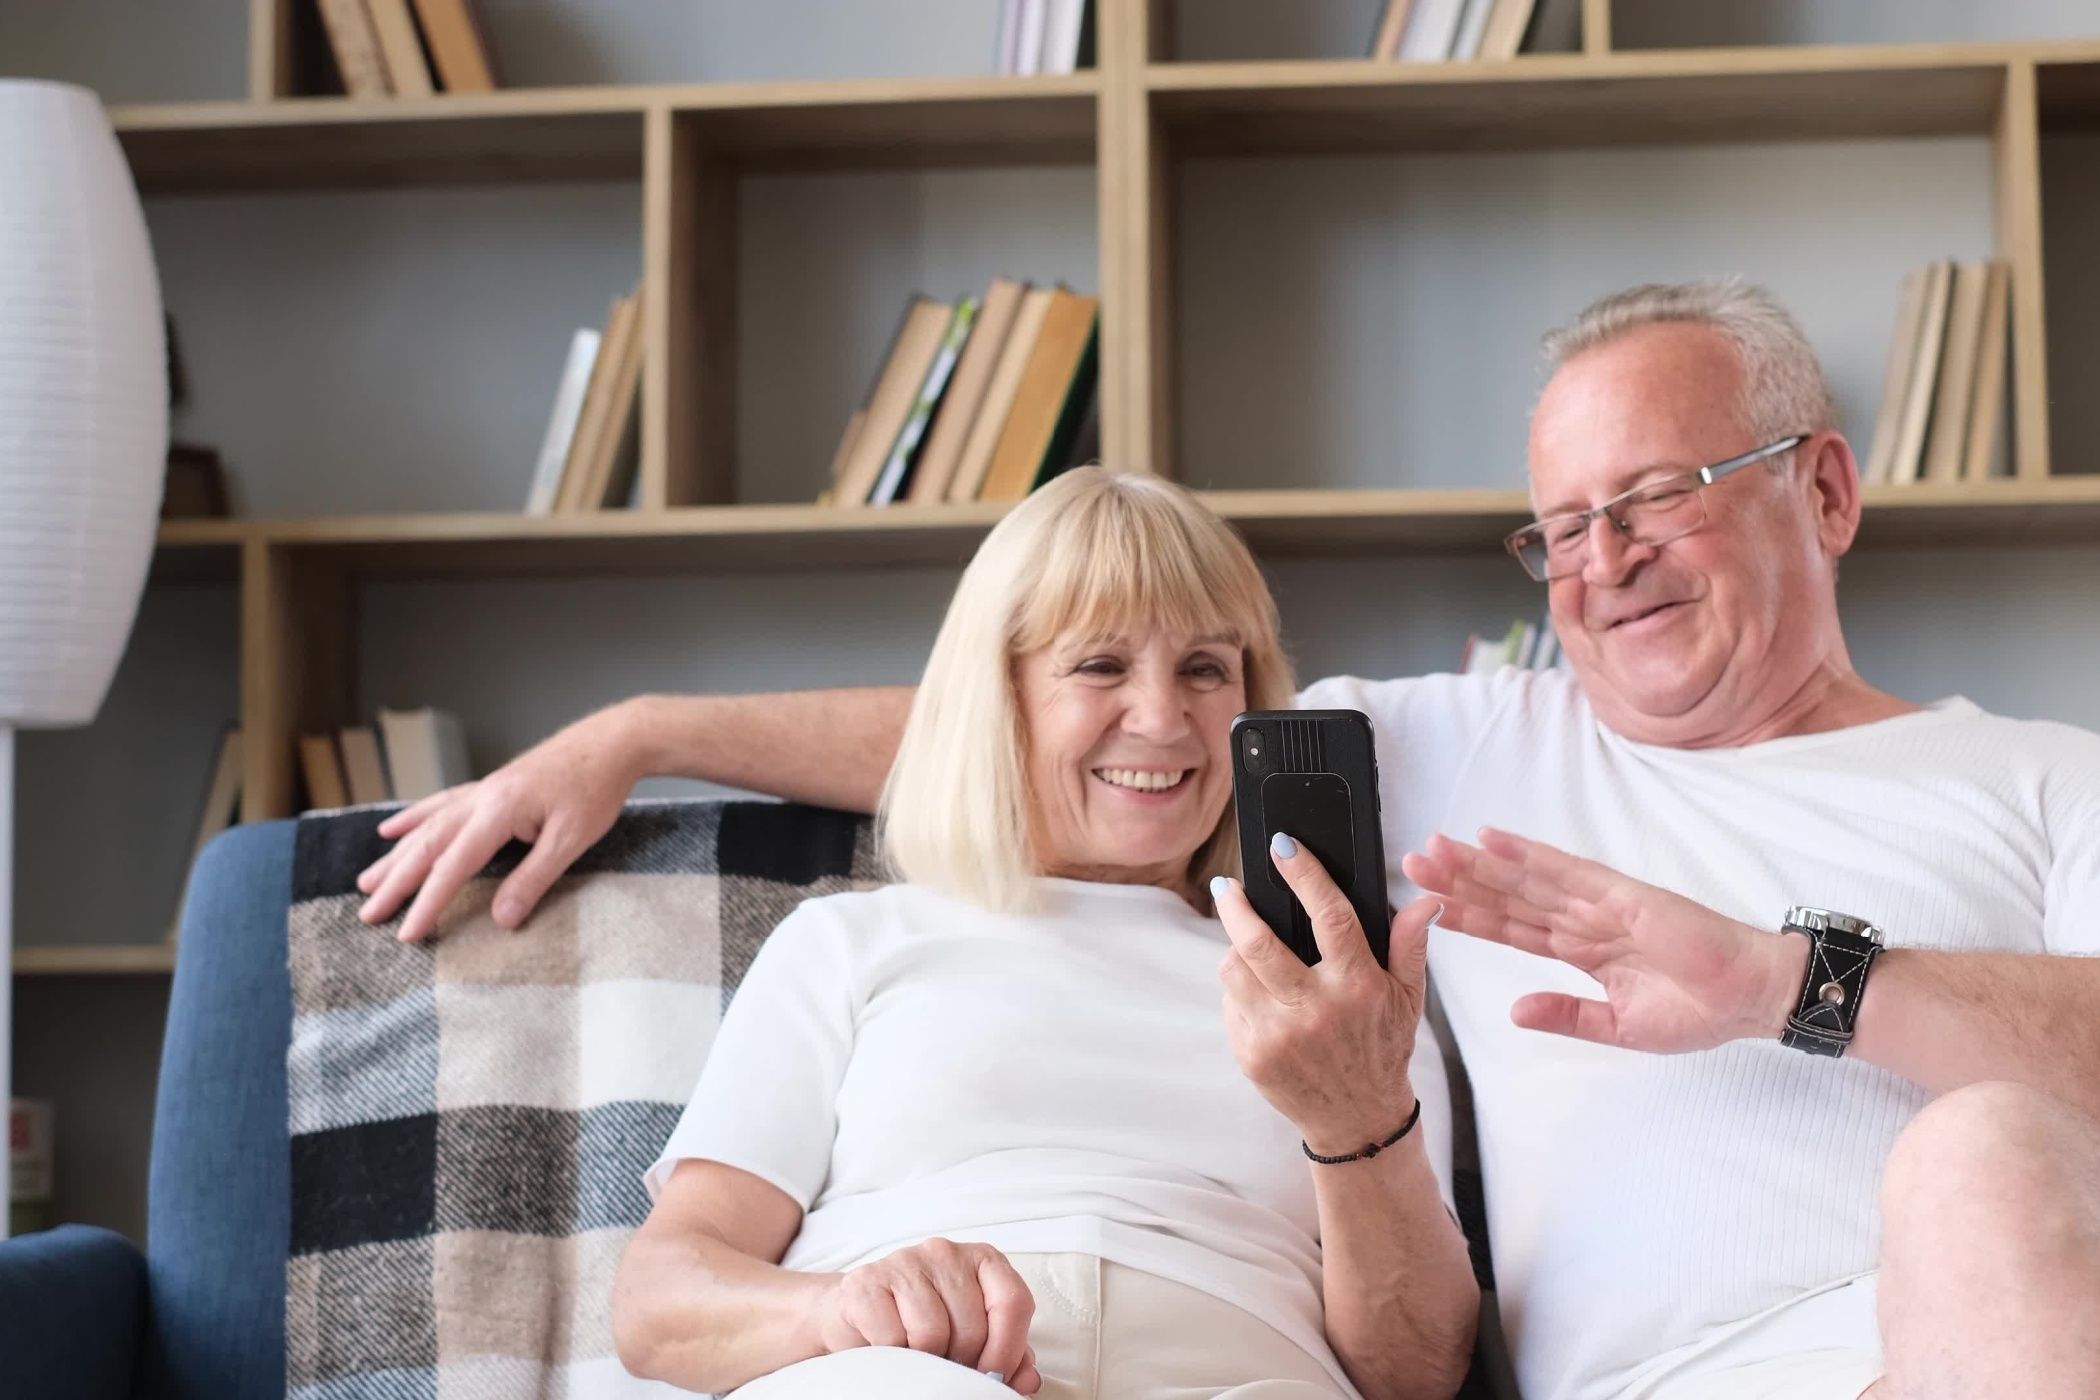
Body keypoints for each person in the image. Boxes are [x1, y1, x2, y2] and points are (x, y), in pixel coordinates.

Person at [357, 279, 2100, 1400]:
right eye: (1560, 527)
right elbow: (1060, 736)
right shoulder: (1449, 748)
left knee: (1988, 1154)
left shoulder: (2040, 777)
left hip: (2003, 1339)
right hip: (1681, 1387)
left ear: (1828, 490)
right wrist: (642, 735)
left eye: (1654, 500)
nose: (1602, 560)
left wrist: (1786, 977)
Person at [605, 466, 1479, 1400]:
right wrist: (833, 1312)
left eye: (1205, 668)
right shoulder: (850, 941)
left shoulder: (1347, 993)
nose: (1161, 718)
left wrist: (1356, 1113)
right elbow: (660, 1303)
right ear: (999, 697)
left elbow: (1413, 1374)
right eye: (1100, 665)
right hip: (909, 1377)